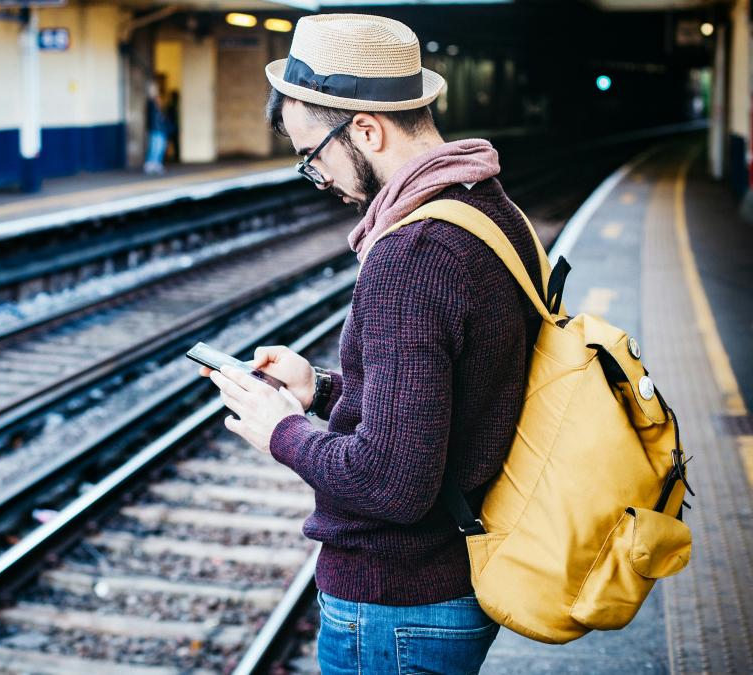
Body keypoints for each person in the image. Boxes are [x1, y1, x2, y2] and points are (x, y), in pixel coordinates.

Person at [200, 14, 545, 674]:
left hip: (397, 605)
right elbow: (454, 392)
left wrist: (284, 430)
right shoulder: (489, 205)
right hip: (450, 583)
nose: (318, 175)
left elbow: (391, 481)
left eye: (314, 154)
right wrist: (322, 388)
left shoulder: (411, 253)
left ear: (366, 128)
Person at [144, 81, 168, 175]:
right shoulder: (152, 108)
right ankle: (150, 164)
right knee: (155, 148)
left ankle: (156, 164)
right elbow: (150, 99)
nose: (160, 101)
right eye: (158, 99)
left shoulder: (159, 111)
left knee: (160, 148)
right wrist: (153, 92)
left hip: (161, 130)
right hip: (155, 130)